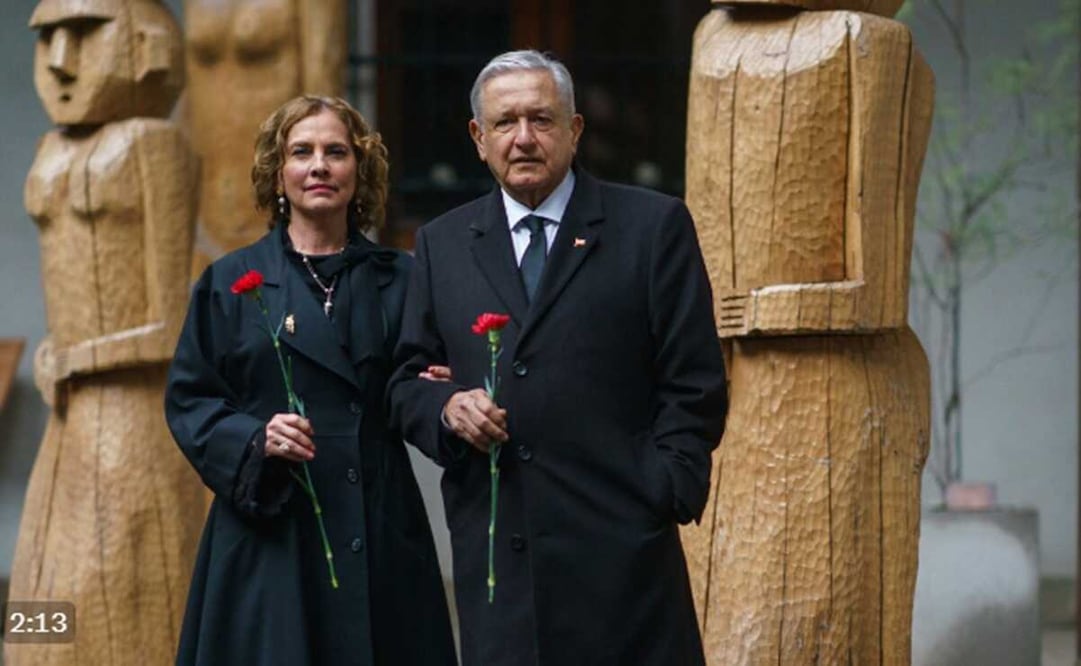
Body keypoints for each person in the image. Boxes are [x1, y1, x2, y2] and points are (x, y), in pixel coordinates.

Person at [389, 50, 728, 665]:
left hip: (624, 556)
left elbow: (695, 381)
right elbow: (407, 381)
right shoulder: (442, 244)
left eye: (542, 120)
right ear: (478, 138)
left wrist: (662, 487)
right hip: (502, 562)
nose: (523, 139)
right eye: (505, 123)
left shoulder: (652, 227)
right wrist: (446, 407)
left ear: (574, 130)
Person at [165, 95, 456, 666]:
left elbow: (422, 383)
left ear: (359, 171)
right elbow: (190, 398)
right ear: (279, 174)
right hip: (269, 529)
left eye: (336, 152)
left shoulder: (403, 277)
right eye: (301, 152)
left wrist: (442, 386)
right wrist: (254, 438)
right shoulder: (229, 282)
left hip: (379, 522)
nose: (319, 165)